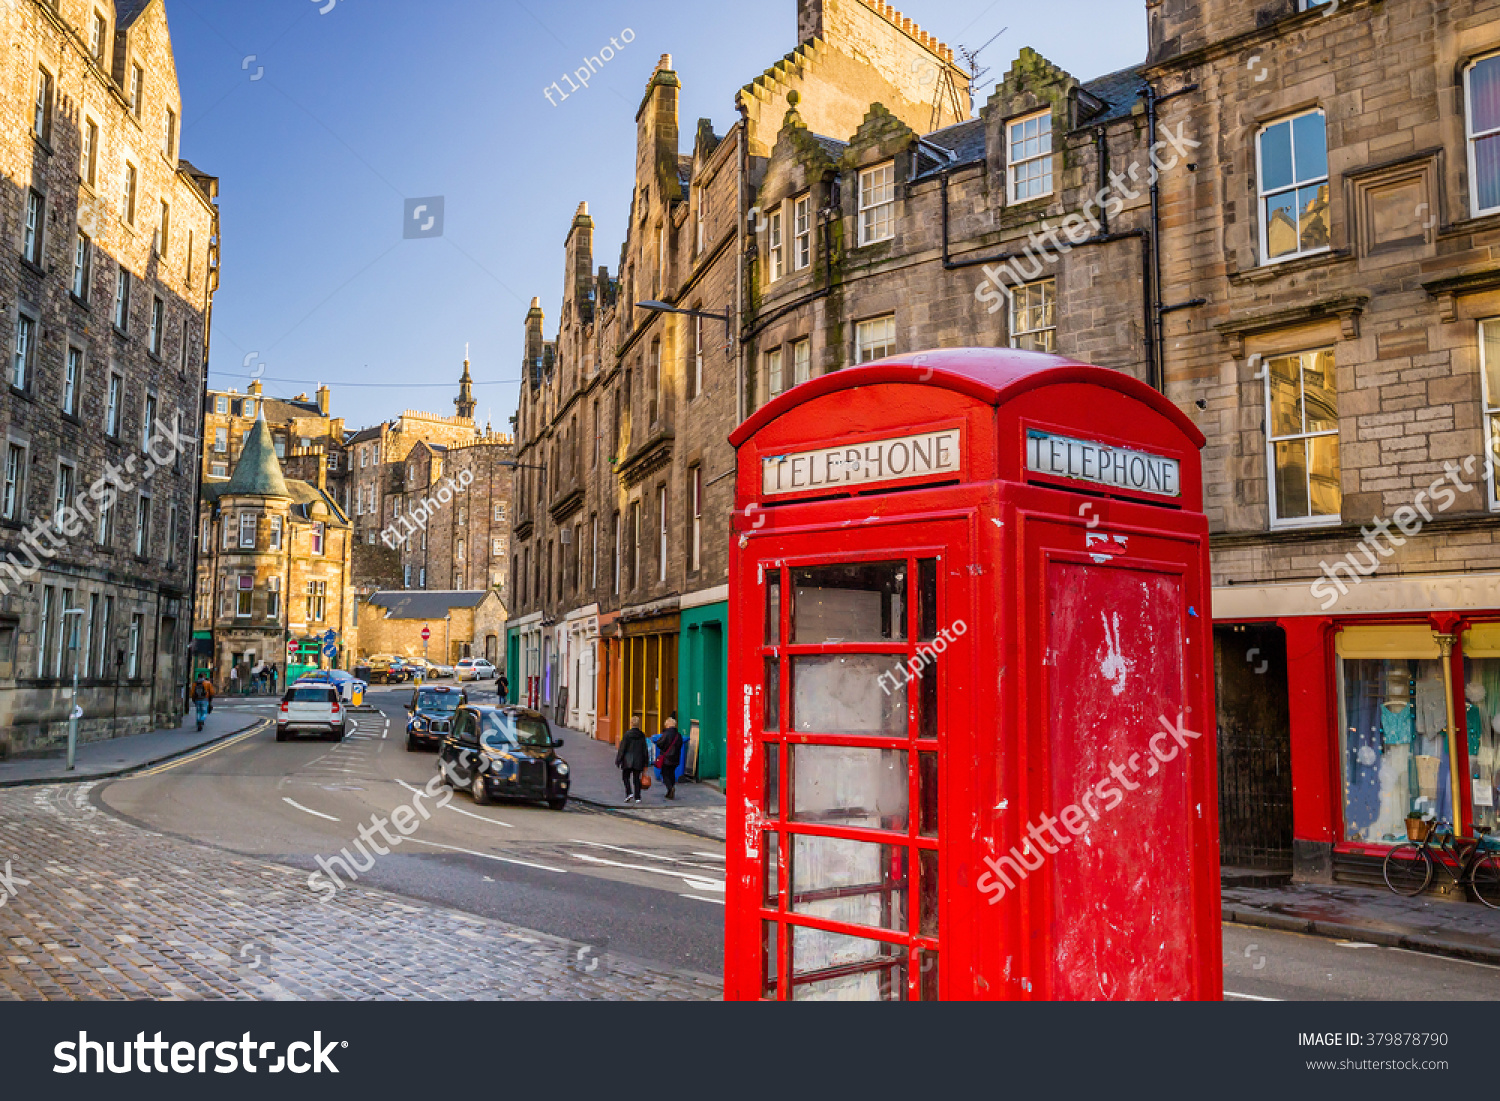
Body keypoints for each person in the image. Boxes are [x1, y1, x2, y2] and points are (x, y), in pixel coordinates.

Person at [616, 716, 648, 804]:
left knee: (625, 777)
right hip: (638, 760)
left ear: (631, 724)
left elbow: (622, 748)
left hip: (627, 760)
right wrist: (646, 762)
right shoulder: (642, 735)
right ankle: (638, 797)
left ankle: (629, 792)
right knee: (637, 779)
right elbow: (644, 749)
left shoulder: (627, 735)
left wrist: (618, 760)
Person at [656, 716, 684, 800]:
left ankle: (670, 787)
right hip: (675, 758)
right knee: (671, 773)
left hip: (666, 758)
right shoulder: (678, 735)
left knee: (665, 774)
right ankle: (670, 791)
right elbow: (680, 745)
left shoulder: (666, 734)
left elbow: (659, 744)